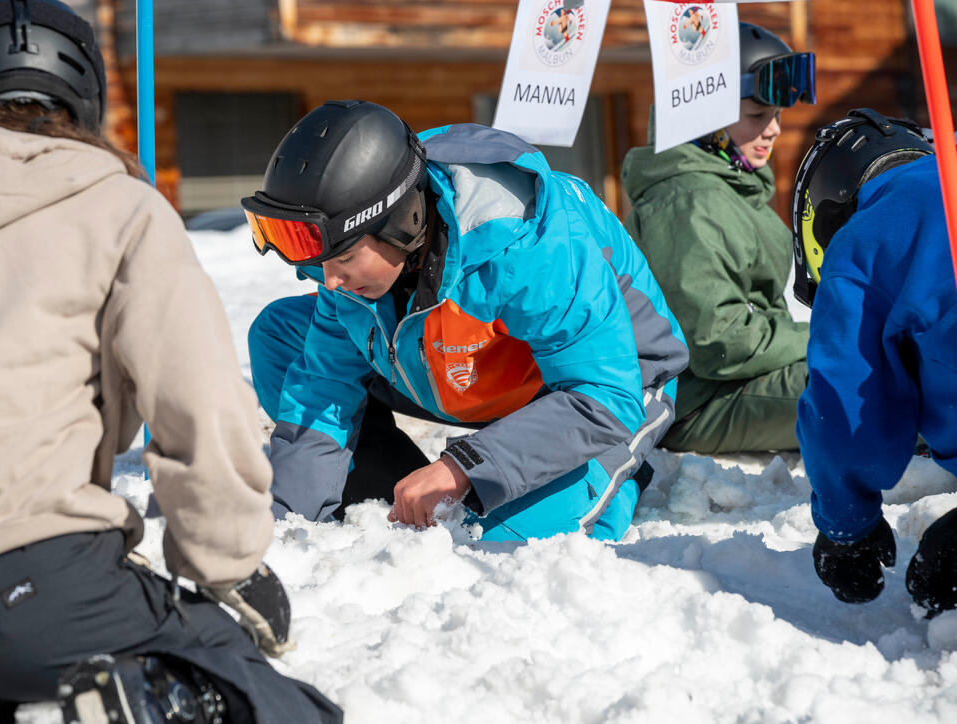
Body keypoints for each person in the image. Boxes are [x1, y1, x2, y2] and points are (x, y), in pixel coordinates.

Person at [0, 2, 341, 724]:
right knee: (262, 693)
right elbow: (200, 405)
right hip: (30, 582)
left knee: (1, 658)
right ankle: (159, 701)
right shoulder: (117, 210)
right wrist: (228, 563)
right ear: (84, 97)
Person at [242, 100, 689, 542]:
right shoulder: (352, 258)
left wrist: (463, 467)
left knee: (504, 546)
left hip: (604, 389)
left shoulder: (528, 244)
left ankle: (610, 475)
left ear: (402, 223)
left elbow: (606, 396)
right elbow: (322, 385)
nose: (331, 281)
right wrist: (293, 528)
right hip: (468, 371)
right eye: (323, 264)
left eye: (343, 259)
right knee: (282, 336)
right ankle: (396, 498)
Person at [621, 22, 817, 454]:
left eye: (777, 116)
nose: (774, 131)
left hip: (736, 385)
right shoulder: (688, 202)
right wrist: (819, 337)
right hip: (695, 404)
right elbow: (718, 342)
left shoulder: (729, 191)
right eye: (756, 117)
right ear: (704, 118)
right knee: (871, 388)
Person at [791, 108, 957, 615]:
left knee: (938, 587)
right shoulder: (941, 187)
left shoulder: (865, 243)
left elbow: (846, 402)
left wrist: (848, 525)